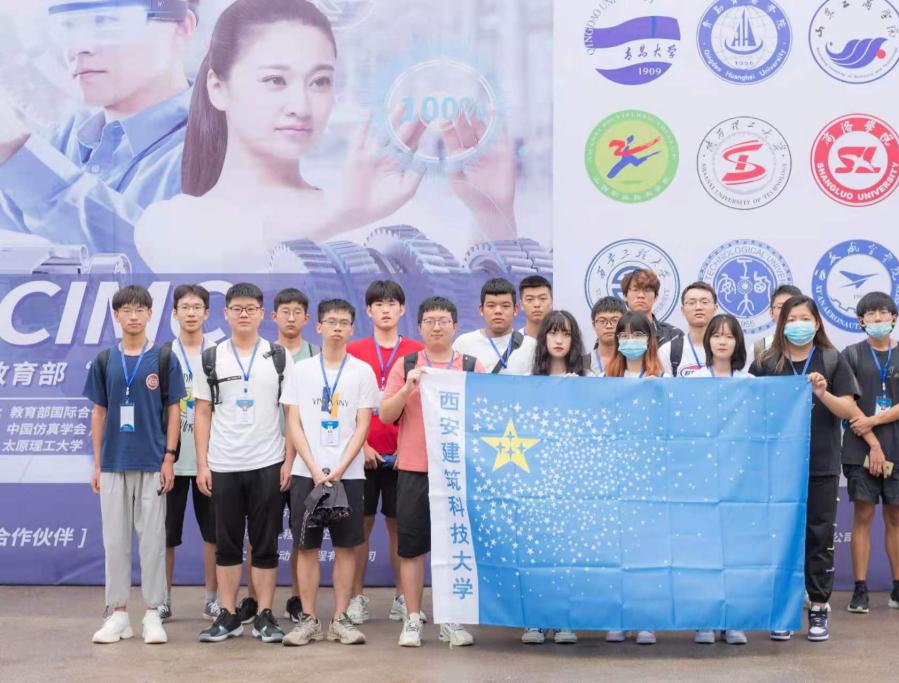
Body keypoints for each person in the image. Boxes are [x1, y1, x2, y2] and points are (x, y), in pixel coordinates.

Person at [133, 0, 521, 273]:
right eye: (275, 80)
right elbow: (218, 252)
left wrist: (492, 212)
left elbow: (474, 336)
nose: (301, 105)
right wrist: (340, 213)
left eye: (319, 81)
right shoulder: (169, 225)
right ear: (218, 88)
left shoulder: (375, 220)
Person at [0, 0, 198, 265]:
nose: (77, 48)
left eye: (105, 21)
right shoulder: (56, 141)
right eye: (67, 25)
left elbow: (167, 269)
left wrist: (14, 148)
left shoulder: (226, 152)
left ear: (181, 27)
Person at [750, 295, 860, 642]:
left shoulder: (832, 359)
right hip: (777, 465)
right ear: (781, 324)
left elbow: (849, 410)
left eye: (805, 318)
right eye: (791, 319)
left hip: (821, 464)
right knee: (780, 538)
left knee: (819, 536)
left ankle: (818, 607)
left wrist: (823, 393)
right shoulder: (767, 361)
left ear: (817, 323)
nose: (798, 325)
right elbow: (748, 407)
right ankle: (783, 610)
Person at [379, 296, 484, 648]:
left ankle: (451, 619)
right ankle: (412, 617)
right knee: (411, 548)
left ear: (455, 325)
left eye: (443, 321)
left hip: (457, 473)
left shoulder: (471, 365)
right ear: (420, 327)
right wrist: (407, 388)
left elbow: (486, 416)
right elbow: (385, 415)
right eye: (429, 321)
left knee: (454, 548)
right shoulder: (407, 364)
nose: (436, 327)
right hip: (414, 470)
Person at [83, 285, 186, 644]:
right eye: (126, 310)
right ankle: (118, 614)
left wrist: (169, 457)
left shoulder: (163, 359)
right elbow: (99, 413)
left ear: (150, 314)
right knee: (115, 542)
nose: (133, 315)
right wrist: (98, 464)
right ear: (116, 315)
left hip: (152, 462)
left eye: (140, 309)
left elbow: (174, 410)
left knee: (153, 541)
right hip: (114, 463)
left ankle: (153, 612)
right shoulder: (104, 360)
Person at [194, 282, 295, 643]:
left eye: (251, 309)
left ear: (262, 314)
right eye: (237, 309)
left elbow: (291, 413)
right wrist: (203, 464)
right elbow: (202, 412)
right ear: (226, 314)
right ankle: (228, 614)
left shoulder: (278, 356)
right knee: (227, 544)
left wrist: (289, 460)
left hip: (268, 462)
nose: (244, 315)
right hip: (223, 463)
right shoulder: (211, 357)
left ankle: (265, 614)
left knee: (266, 544)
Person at [280, 298, 378, 646]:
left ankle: (340, 619)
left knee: (346, 547)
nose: (337, 328)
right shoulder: (300, 370)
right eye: (331, 322)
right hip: (306, 473)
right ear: (318, 327)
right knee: (306, 547)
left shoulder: (362, 371)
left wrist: (339, 467)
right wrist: (310, 464)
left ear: (352, 328)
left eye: (344, 322)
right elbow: (293, 421)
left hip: (348, 475)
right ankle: (308, 619)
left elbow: (363, 424)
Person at [841, 292, 899, 615]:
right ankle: (860, 590)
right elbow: (846, 402)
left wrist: (874, 421)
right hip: (859, 449)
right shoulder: (851, 355)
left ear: (894, 317)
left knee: (895, 518)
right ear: (861, 321)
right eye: (870, 314)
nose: (877, 319)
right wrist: (872, 442)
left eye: (883, 313)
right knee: (862, 517)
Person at [346, 280, 424, 625]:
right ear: (368, 311)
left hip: (405, 456)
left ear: (402, 309)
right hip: (360, 454)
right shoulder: (353, 350)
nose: (386, 309)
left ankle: (402, 598)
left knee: (400, 528)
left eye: (392, 303)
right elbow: (344, 404)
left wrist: (407, 449)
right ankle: (356, 597)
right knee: (359, 528)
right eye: (379, 304)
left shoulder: (417, 352)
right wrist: (361, 445)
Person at [517, 310, 587, 646]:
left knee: (567, 551)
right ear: (543, 338)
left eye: (566, 334)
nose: (559, 340)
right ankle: (533, 619)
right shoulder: (525, 381)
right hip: (533, 476)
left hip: (573, 479)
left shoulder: (588, 380)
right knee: (535, 550)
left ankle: (564, 618)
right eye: (553, 333)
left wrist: (581, 393)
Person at [688, 313, 749, 645]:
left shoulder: (750, 382)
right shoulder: (693, 380)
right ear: (708, 340)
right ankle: (704, 619)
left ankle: (732, 619)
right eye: (716, 335)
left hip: (739, 479)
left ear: (738, 342)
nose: (722, 341)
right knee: (703, 550)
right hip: (701, 478)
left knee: (735, 551)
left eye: (729, 336)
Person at [602, 311, 662, 646]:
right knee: (617, 549)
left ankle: (647, 618)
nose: (630, 341)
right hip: (615, 475)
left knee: (648, 550)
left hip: (651, 477)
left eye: (637, 335)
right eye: (624, 335)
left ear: (649, 339)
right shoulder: (606, 377)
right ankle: (618, 617)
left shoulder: (662, 377)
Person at [161, 284, 218, 623]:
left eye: (197, 307)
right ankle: (162, 599)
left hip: (210, 462)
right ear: (175, 313)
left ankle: (212, 599)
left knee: (214, 535)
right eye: (185, 307)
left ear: (207, 313)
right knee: (165, 536)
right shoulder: (162, 355)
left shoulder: (219, 354)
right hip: (170, 462)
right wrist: (164, 457)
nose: (192, 313)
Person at [270, 286, 316, 624]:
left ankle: (297, 599)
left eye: (297, 312)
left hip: (306, 459)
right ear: (273, 316)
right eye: (285, 312)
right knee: (263, 533)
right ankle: (257, 600)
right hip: (266, 454)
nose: (290, 317)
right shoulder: (262, 354)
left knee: (302, 533)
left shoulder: (316, 356)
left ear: (307, 318)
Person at [453, 277, 535, 374]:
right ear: (481, 310)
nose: (498, 311)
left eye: (505, 306)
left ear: (515, 309)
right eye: (491, 306)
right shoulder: (463, 343)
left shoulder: (531, 346)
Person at [659, 281, 717, 378]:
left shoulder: (726, 349)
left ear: (715, 308)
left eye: (705, 302)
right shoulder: (667, 351)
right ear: (683, 310)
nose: (698, 307)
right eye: (692, 303)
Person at [619, 268, 681, 346]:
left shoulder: (673, 335)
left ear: (656, 297)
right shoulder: (616, 333)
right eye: (635, 290)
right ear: (625, 295)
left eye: (647, 290)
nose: (641, 295)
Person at [752, 285, 802, 359]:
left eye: (792, 306)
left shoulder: (815, 346)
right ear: (771, 312)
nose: (786, 311)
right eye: (781, 307)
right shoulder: (759, 348)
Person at [589, 296, 627, 377]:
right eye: (602, 321)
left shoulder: (633, 361)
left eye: (615, 320)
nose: (609, 326)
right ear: (594, 325)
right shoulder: (582, 363)